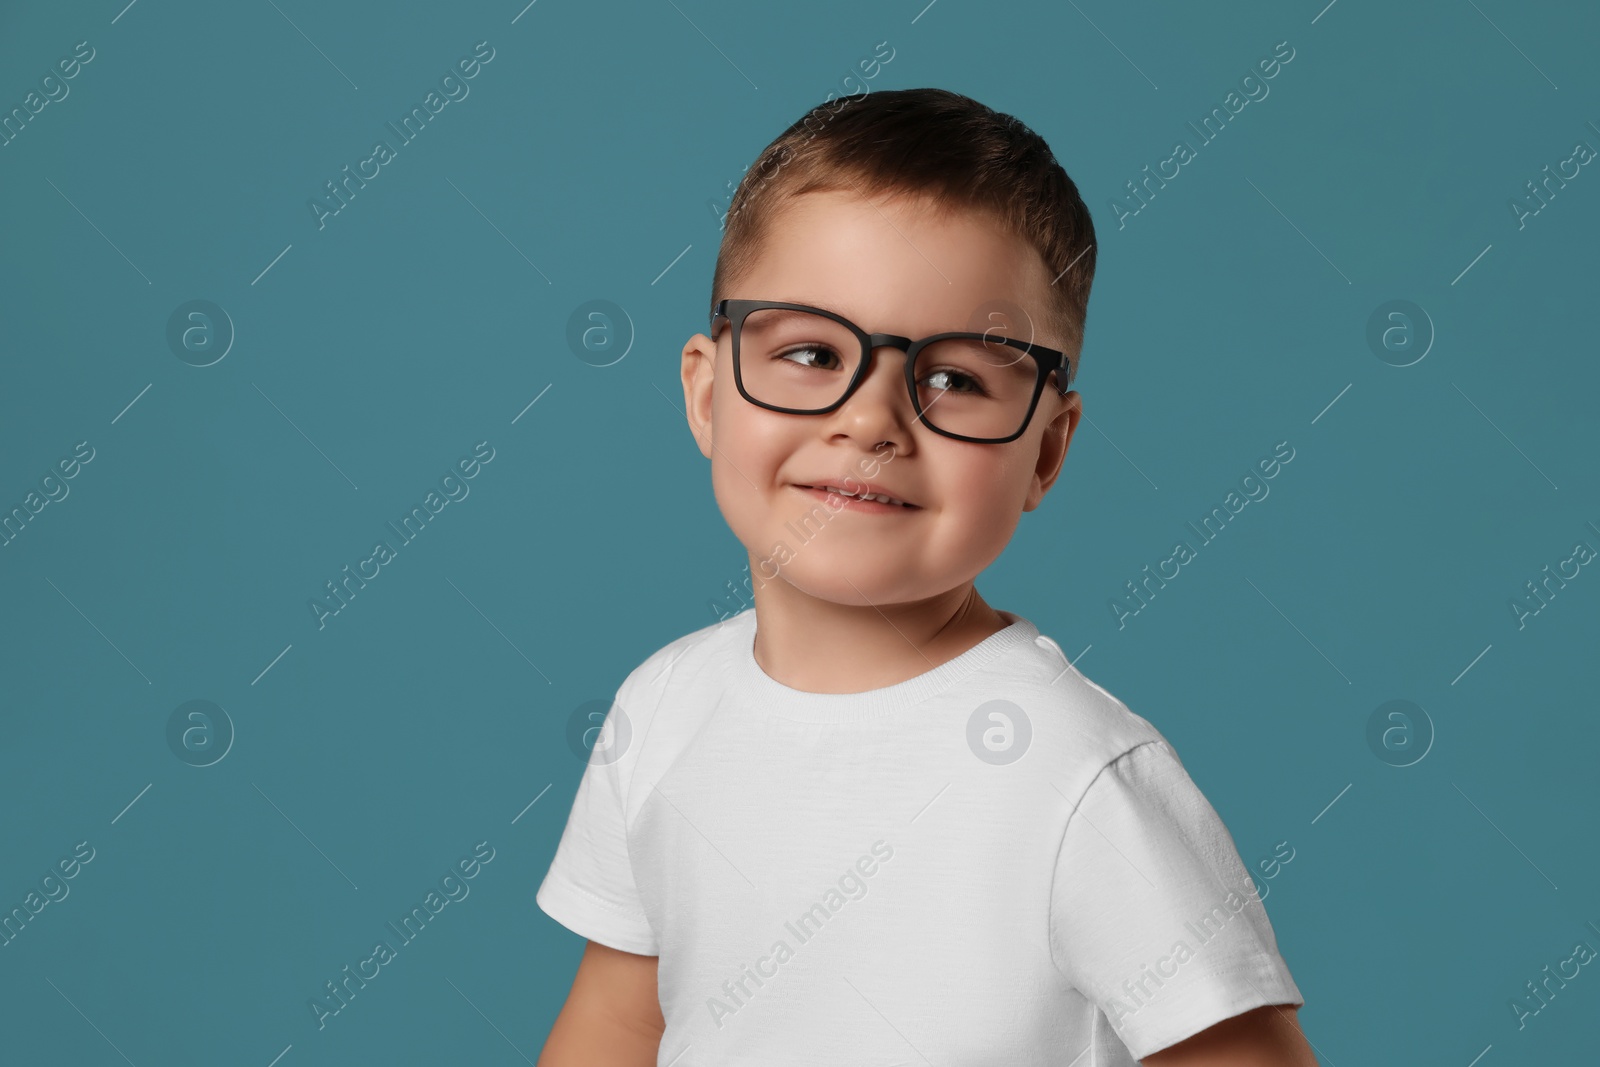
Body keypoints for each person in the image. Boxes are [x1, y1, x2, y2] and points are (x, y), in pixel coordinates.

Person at [535, 87, 1318, 1066]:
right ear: (704, 393)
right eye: (811, 352)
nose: (869, 420)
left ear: (1044, 452)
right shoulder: (661, 708)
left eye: (954, 377)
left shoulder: (1077, 779)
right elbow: (618, 1023)